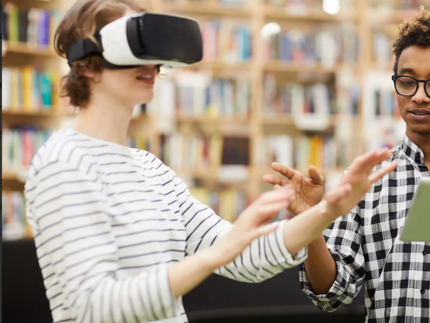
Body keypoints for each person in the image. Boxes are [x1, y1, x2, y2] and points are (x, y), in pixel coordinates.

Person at [24, 0, 397, 322]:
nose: (150, 62)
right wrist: (209, 259)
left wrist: (325, 212)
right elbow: (93, 308)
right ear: (85, 64)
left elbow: (243, 257)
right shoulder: (63, 163)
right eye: (132, 43)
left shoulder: (151, 170)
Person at [264, 6, 430, 323]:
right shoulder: (365, 181)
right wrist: (313, 222)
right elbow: (332, 293)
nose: (419, 96)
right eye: (408, 81)